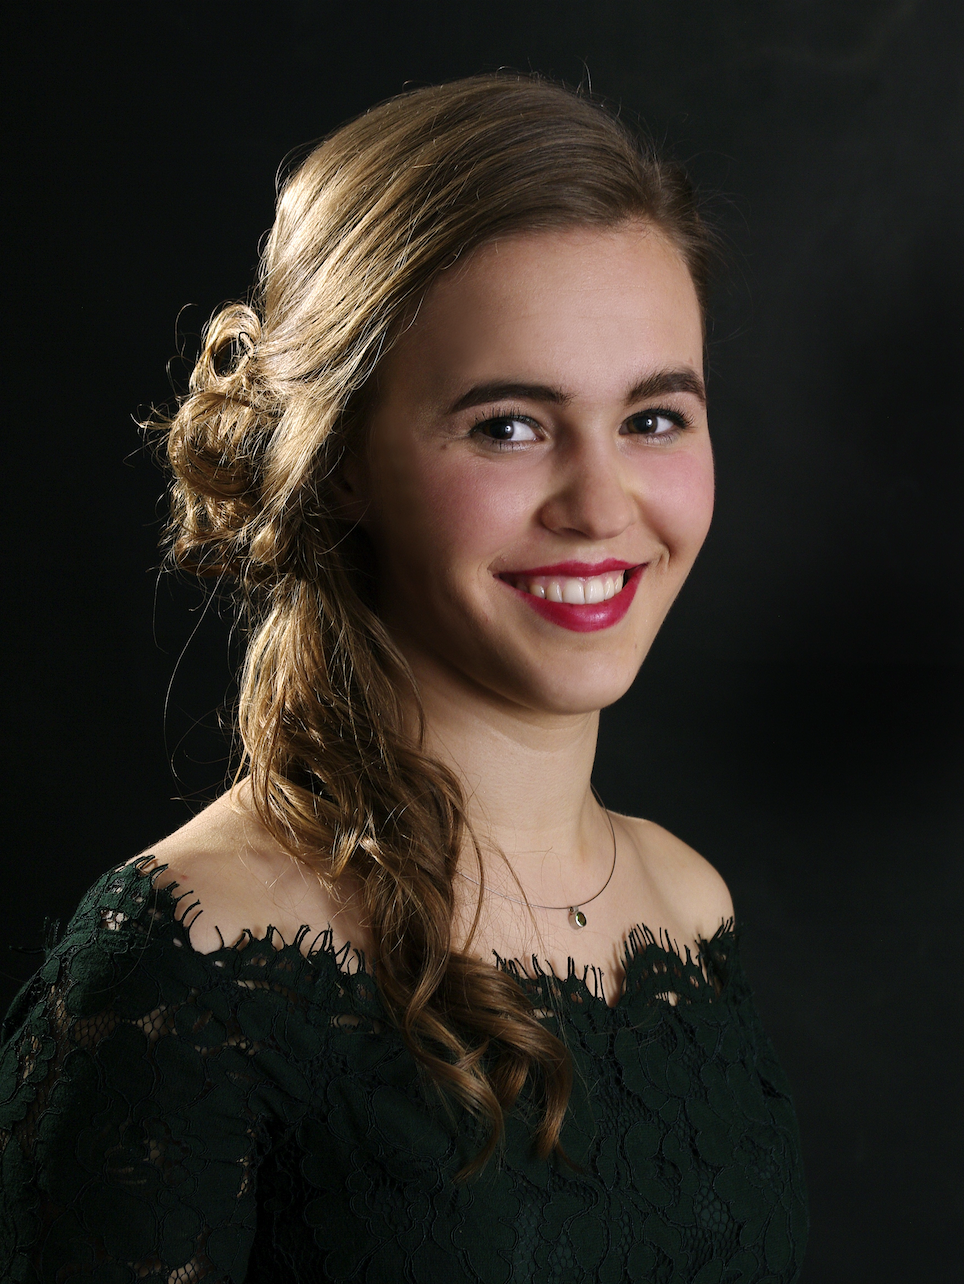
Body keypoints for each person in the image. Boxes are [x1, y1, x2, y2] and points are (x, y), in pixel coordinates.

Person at [0, 73, 808, 1282]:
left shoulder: (687, 912)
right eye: (506, 425)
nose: (601, 507)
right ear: (338, 460)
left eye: (652, 419)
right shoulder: (190, 962)